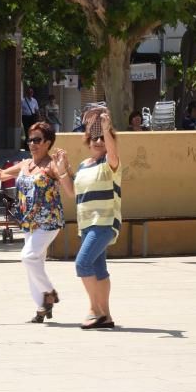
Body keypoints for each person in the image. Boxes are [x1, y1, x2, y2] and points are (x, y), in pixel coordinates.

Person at [0, 121, 66, 323]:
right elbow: (1, 175)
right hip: (28, 221)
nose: (32, 144)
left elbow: (68, 181)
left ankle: (49, 293)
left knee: (28, 257)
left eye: (37, 140)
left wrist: (64, 168)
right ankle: (41, 308)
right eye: (30, 140)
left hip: (48, 221)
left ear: (48, 142)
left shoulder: (52, 165)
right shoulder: (25, 164)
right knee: (34, 264)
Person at [63, 107, 121, 329]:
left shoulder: (110, 164)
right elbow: (72, 193)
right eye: (94, 138)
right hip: (86, 224)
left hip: (104, 222)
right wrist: (62, 170)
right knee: (98, 270)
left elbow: (113, 154)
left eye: (103, 139)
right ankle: (106, 316)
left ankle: (95, 310)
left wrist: (107, 129)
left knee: (82, 263)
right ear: (87, 141)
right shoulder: (83, 166)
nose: (98, 141)